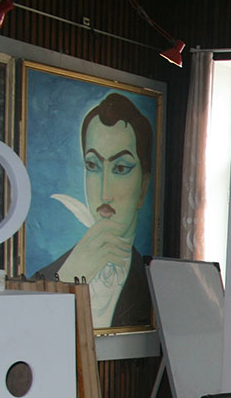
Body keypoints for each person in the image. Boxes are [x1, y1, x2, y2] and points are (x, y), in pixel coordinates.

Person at [35, 92, 154, 330]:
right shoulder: (49, 276)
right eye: (93, 165)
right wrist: (68, 279)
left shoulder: (154, 285)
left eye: (121, 168)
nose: (104, 193)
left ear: (143, 187)